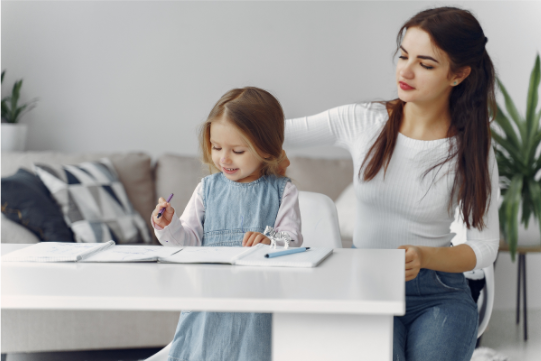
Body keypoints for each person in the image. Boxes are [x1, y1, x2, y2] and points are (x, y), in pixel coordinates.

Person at [282, 7, 499, 361]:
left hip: (440, 293)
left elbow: (485, 246)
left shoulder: (471, 145)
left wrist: (426, 255)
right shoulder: (361, 120)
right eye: (402, 55)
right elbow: (275, 133)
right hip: (366, 284)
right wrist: (232, 117)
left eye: (425, 64)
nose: (405, 70)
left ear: (457, 74)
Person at [151, 86, 302, 361]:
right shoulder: (207, 188)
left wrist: (269, 240)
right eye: (217, 147)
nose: (224, 158)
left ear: (266, 149)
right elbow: (187, 241)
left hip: (257, 308)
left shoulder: (283, 191)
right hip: (208, 303)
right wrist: (168, 226)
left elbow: (292, 239)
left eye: (238, 150)